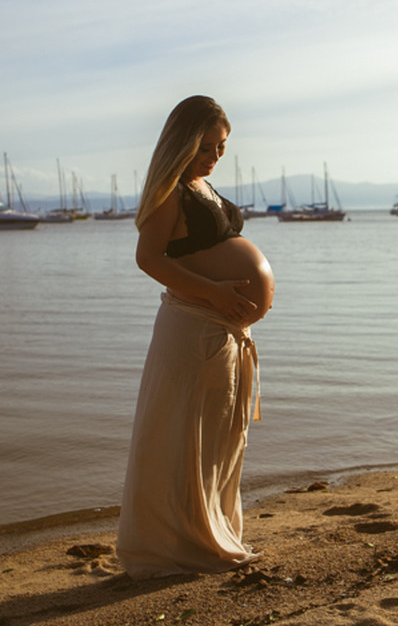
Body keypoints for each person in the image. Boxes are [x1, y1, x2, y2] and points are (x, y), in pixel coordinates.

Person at [116, 95, 275, 579]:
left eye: (222, 145)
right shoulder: (169, 189)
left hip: (221, 328)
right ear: (182, 143)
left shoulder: (202, 185)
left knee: (218, 441)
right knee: (184, 437)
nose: (215, 155)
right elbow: (150, 259)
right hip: (193, 327)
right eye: (207, 146)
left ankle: (210, 534)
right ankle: (174, 547)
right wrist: (213, 293)